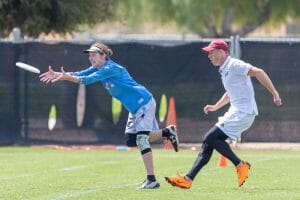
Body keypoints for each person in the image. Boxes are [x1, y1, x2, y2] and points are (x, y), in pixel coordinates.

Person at [39, 42, 179, 189]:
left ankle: (152, 180)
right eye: (90, 55)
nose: (91, 58)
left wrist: (67, 78)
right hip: (134, 108)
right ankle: (167, 132)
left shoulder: (110, 68)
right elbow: (81, 74)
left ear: (103, 56)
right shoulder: (98, 67)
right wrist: (60, 75)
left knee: (142, 139)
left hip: (143, 102)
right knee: (132, 141)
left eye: (94, 55)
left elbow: (87, 80)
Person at [165, 39, 282, 189]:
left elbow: (259, 72)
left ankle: (240, 165)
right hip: (236, 112)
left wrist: (275, 93)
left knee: (210, 137)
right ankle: (187, 179)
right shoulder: (225, 69)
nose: (209, 56)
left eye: (211, 53)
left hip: (244, 113)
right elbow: (230, 92)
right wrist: (216, 106)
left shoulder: (234, 64)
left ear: (222, 52)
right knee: (208, 143)